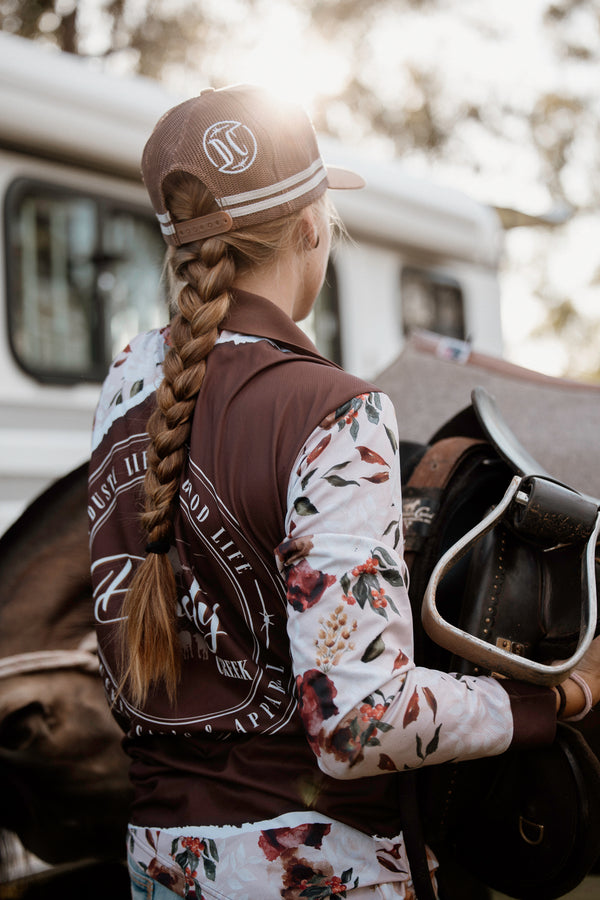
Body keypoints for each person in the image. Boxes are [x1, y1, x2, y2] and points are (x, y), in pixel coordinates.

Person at [89, 85, 600, 900]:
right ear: (311, 227)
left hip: (156, 859)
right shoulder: (337, 410)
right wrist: (547, 702)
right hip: (311, 870)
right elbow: (359, 722)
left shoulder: (122, 390)